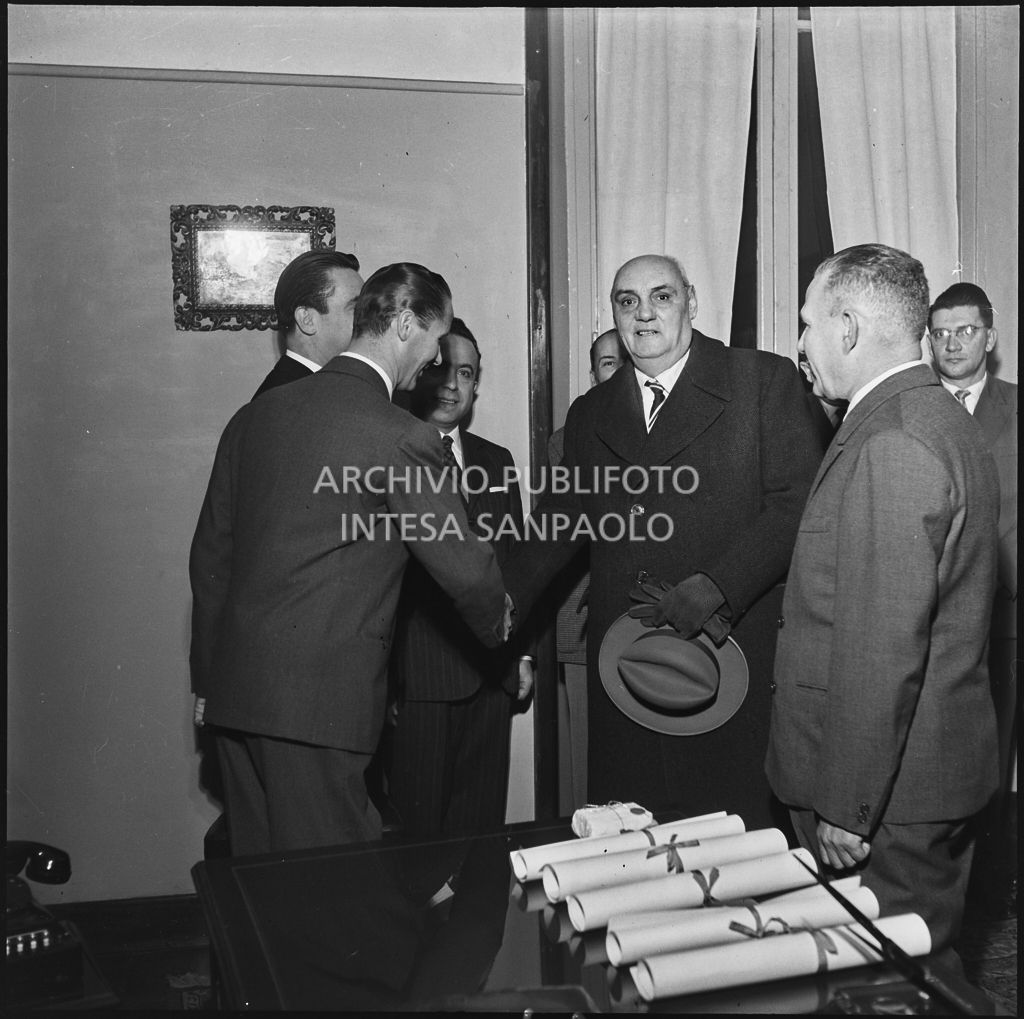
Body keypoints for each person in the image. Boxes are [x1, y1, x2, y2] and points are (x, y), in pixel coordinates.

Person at [189, 262, 510, 855]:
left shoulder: (253, 416)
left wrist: (208, 679)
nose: (434, 362)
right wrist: (501, 626)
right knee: (334, 891)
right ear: (406, 326)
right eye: (437, 342)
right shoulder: (400, 435)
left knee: (262, 887)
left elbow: (210, 560)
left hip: (236, 700)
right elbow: (466, 570)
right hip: (317, 709)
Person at [504, 254, 824, 830]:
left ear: (692, 302)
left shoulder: (761, 382)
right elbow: (560, 522)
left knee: (733, 840)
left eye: (662, 296)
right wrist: (499, 597)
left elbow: (796, 503)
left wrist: (718, 586)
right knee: (634, 839)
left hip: (728, 656)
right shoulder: (591, 412)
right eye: (627, 301)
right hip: (626, 665)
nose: (644, 314)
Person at [766, 244, 1001, 955]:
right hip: (922, 781)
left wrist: (847, 804)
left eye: (806, 325)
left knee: (885, 980)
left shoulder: (894, 439)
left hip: (888, 802)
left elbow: (882, 646)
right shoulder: (935, 417)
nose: (800, 345)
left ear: (847, 328)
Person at [385, 318, 533, 837]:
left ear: (475, 386)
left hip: (493, 675)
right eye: (442, 370)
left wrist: (523, 655)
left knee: (480, 837)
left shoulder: (497, 460)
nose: (452, 385)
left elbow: (514, 561)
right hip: (418, 682)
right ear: (420, 372)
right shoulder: (393, 452)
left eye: (465, 374)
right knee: (418, 841)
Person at [928, 282, 1018, 909]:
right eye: (940, 333)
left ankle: (988, 886)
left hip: (1005, 615)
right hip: (930, 615)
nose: (953, 344)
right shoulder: (914, 407)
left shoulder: (1017, 408)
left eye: (965, 331)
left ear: (989, 337)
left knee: (996, 750)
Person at [547, 329, 629, 809]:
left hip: (643, 622)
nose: (615, 371)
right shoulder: (567, 440)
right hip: (582, 621)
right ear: (593, 374)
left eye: (623, 361)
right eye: (605, 362)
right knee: (587, 763)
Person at [252, 250, 364, 398]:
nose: (368, 319)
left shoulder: (321, 387)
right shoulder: (285, 400)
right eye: (356, 309)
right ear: (307, 320)